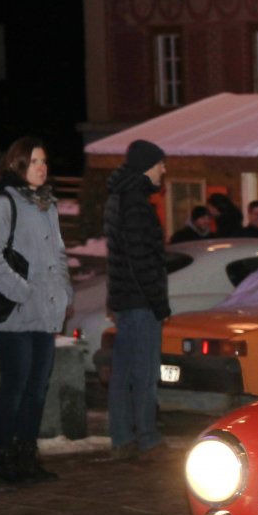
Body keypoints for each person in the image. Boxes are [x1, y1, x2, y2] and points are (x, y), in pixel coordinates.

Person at [0, 138, 72, 486]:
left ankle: (27, 456)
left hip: (45, 312)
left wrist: (64, 292)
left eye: (43, 161)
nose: (41, 168)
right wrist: (21, 291)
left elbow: (58, 255)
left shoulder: (47, 205)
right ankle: (4, 460)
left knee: (37, 388)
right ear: (17, 165)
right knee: (15, 386)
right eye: (33, 162)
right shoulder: (3, 204)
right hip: (15, 314)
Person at [104, 139, 170, 461]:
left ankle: (122, 436)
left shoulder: (121, 198)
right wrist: (159, 303)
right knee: (144, 372)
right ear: (147, 166)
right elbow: (141, 260)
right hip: (140, 301)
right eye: (160, 164)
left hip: (127, 299)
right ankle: (147, 437)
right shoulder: (136, 205)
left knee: (125, 371)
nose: (164, 170)